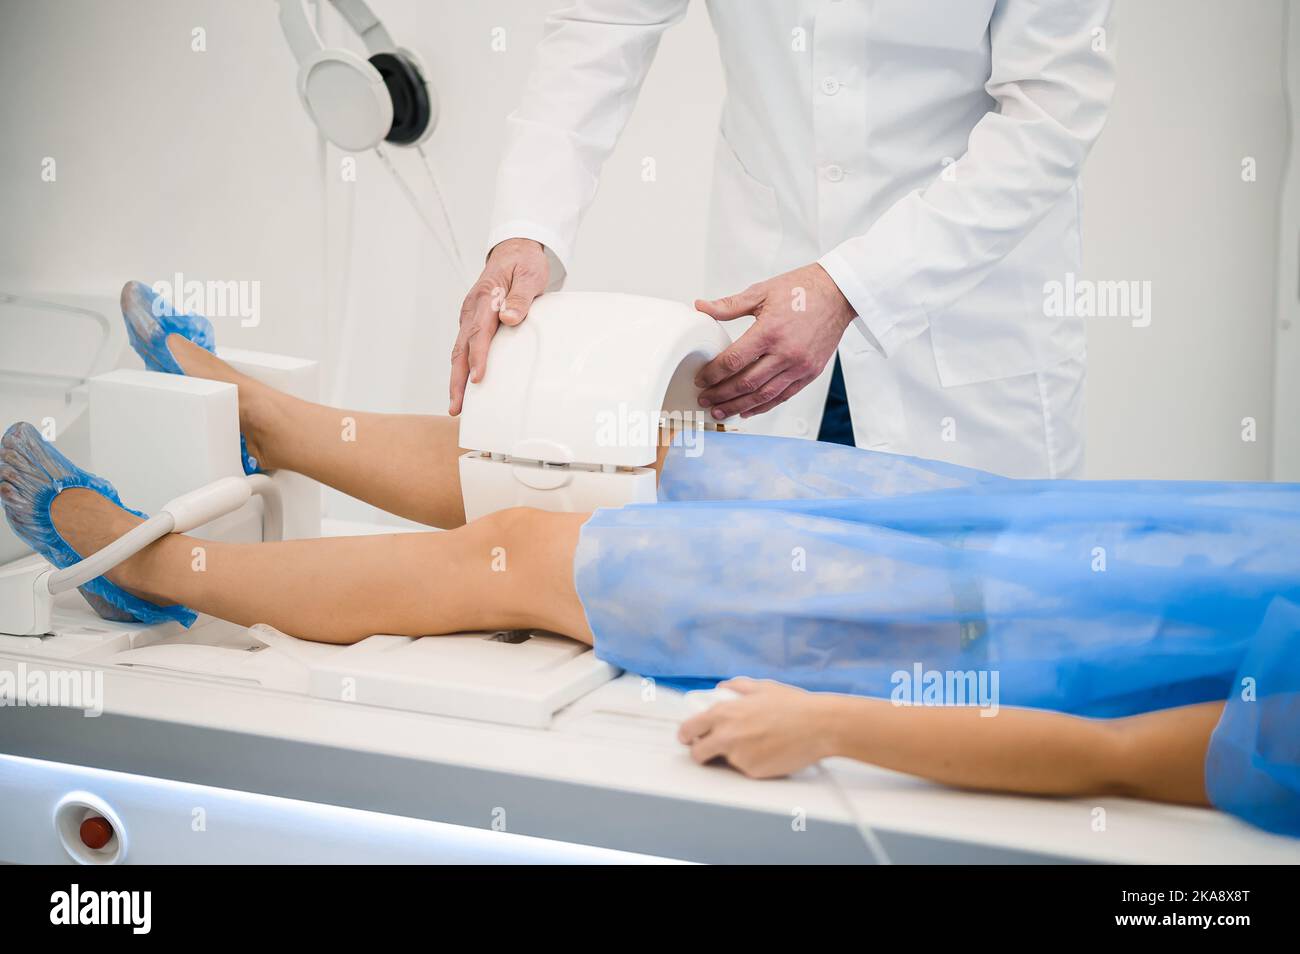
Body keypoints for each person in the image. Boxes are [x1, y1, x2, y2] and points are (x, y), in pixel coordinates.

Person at [2, 282, 1296, 838]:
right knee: (635, 464)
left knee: (524, 551)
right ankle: (266, 416)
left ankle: (152, 569)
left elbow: (1130, 758)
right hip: (1005, 527)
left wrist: (828, 722)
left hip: (959, 627)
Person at [451, 0, 1117, 478]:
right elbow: (601, 23)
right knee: (772, 628)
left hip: (962, 325)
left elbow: (1050, 111)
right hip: (771, 323)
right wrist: (526, 231)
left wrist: (853, 286)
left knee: (970, 637)